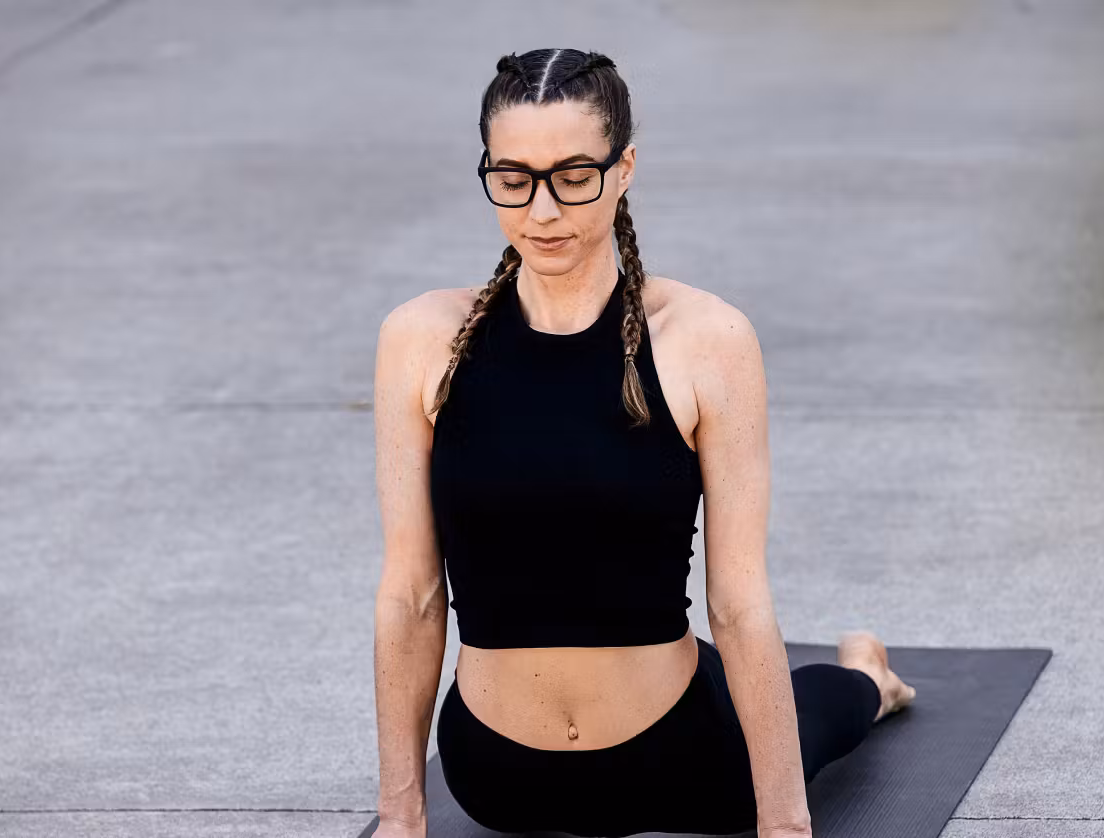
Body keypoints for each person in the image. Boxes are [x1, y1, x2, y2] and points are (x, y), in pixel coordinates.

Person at [371, 48, 917, 838]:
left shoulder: (706, 339)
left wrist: (785, 825)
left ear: (623, 168)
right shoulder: (422, 338)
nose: (543, 211)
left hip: (687, 759)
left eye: (573, 176)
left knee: (822, 713)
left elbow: (738, 600)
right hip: (497, 774)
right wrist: (400, 816)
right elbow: (412, 595)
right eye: (514, 178)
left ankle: (868, 676)